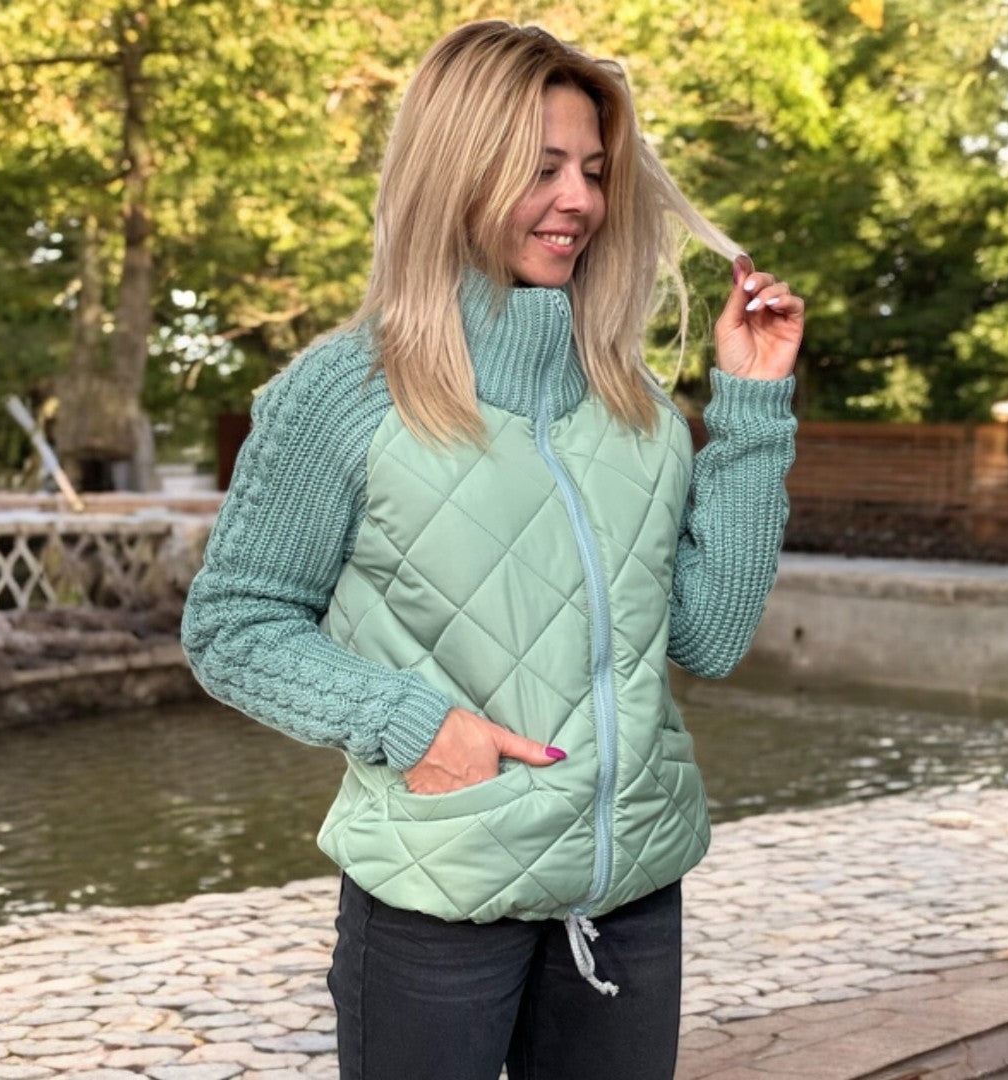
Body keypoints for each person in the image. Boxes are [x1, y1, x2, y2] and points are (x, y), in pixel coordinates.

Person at [182, 19, 802, 1080]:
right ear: (455, 171)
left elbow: (708, 637)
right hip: (437, 900)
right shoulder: (345, 393)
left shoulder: (638, 410)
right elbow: (232, 627)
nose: (579, 200)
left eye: (593, 171)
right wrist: (416, 726)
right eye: (541, 167)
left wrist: (752, 407)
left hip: (628, 905)